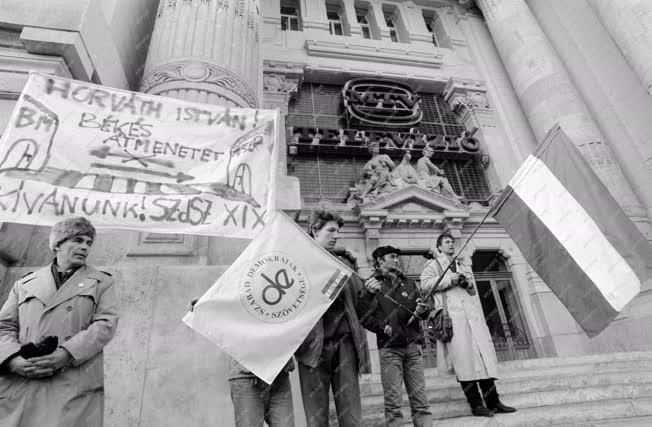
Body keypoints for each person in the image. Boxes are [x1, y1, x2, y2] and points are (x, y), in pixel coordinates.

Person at [0, 217, 119, 427]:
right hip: (23, 380)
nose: (85, 247)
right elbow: (4, 327)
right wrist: (13, 360)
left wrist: (66, 353)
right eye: (78, 240)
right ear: (58, 244)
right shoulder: (24, 283)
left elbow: (105, 325)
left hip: (71, 380)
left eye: (88, 242)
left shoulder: (102, 282)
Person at [420, 233, 516, 417]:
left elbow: (471, 291)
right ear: (439, 247)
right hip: (452, 318)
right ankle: (476, 404)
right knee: (464, 362)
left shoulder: (462, 265)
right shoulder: (433, 265)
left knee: (483, 359)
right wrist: (451, 280)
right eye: (446, 242)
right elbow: (425, 286)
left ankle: (494, 402)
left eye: (452, 242)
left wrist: (467, 283)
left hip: (472, 317)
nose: (450, 244)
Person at [295, 208, 369, 427]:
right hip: (312, 349)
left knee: (352, 417)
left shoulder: (345, 263)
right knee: (316, 418)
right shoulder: (297, 262)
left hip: (345, 345)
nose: (336, 236)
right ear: (314, 230)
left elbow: (362, 305)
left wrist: (370, 290)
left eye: (338, 231)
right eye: (331, 231)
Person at [188, 299, 295, 427]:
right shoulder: (242, 282)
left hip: (279, 375)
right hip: (246, 376)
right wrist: (208, 300)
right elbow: (228, 294)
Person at [359, 246, 433, 427]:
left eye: (397, 257)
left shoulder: (408, 283)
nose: (396, 260)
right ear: (379, 260)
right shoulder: (371, 285)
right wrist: (382, 328)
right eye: (392, 257)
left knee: (421, 401)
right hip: (390, 351)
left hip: (413, 348)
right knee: (393, 405)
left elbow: (422, 311)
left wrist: (423, 310)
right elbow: (363, 317)